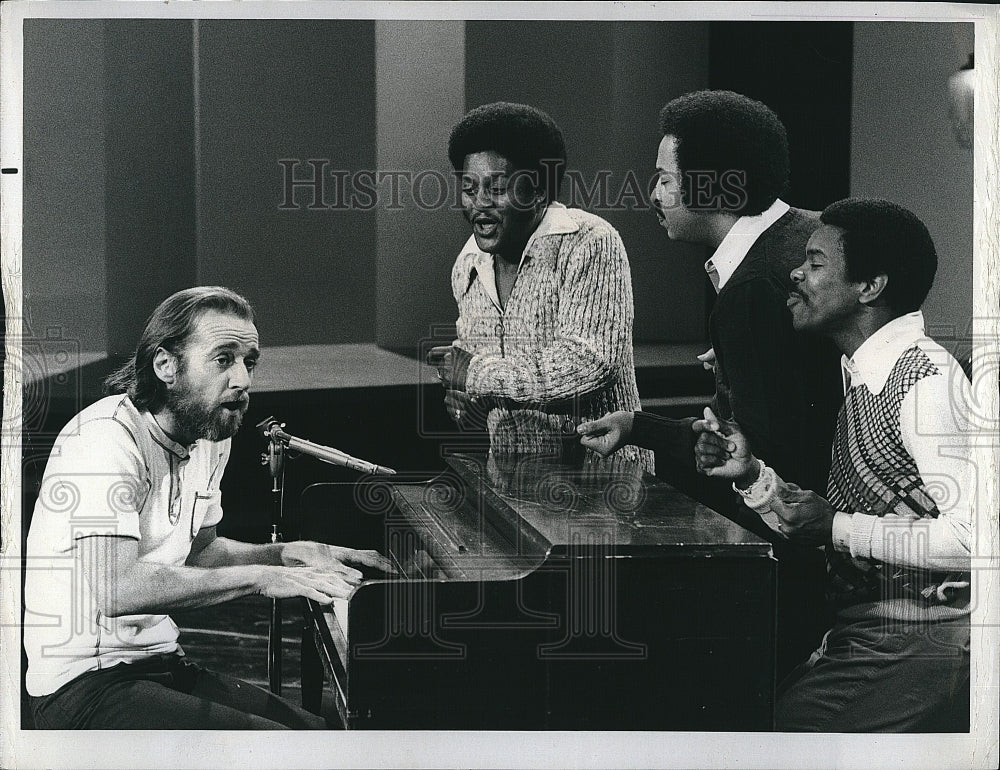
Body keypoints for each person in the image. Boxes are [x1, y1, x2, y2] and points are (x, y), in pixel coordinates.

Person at [23, 286, 393, 729]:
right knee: (296, 753)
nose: (243, 380)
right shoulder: (104, 439)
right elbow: (117, 589)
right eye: (224, 360)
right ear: (165, 365)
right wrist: (261, 577)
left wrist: (285, 553)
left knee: (320, 734)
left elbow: (201, 553)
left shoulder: (210, 439)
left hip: (157, 661)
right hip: (82, 687)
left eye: (249, 362)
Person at [578, 90, 842, 677]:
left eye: (665, 180)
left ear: (720, 188)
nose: (654, 196)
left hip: (792, 580)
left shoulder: (750, 292)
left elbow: (759, 463)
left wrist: (642, 430)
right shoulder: (809, 232)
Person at [693, 199, 972, 731]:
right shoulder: (864, 375)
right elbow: (832, 519)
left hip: (917, 640)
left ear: (869, 288)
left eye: (816, 263)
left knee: (789, 731)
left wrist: (840, 527)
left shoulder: (924, 379)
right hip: (871, 635)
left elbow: (975, 538)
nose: (797, 272)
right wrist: (753, 477)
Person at [428, 101, 652, 469]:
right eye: (469, 188)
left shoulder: (590, 241)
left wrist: (476, 374)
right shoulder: (467, 265)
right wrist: (466, 399)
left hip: (605, 485)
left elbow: (589, 364)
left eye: (497, 188)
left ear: (537, 192)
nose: (479, 205)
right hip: (514, 487)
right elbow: (486, 384)